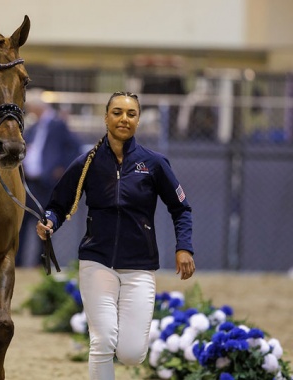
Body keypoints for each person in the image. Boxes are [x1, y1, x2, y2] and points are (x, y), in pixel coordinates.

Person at [36, 91, 196, 379]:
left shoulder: (155, 164)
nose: (124, 118)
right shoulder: (87, 163)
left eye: (131, 113)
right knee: (103, 341)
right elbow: (58, 205)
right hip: (97, 262)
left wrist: (184, 247)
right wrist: (49, 221)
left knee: (132, 354)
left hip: (140, 266)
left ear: (138, 119)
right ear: (106, 117)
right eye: (117, 112)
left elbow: (181, 209)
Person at [16, 88, 82, 267]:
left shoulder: (58, 124)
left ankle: (42, 263)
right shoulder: (33, 127)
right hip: (29, 184)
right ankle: (18, 263)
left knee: (44, 225)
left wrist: (63, 169)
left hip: (47, 185)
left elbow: (76, 148)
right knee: (22, 226)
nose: (29, 111)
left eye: (30, 107)